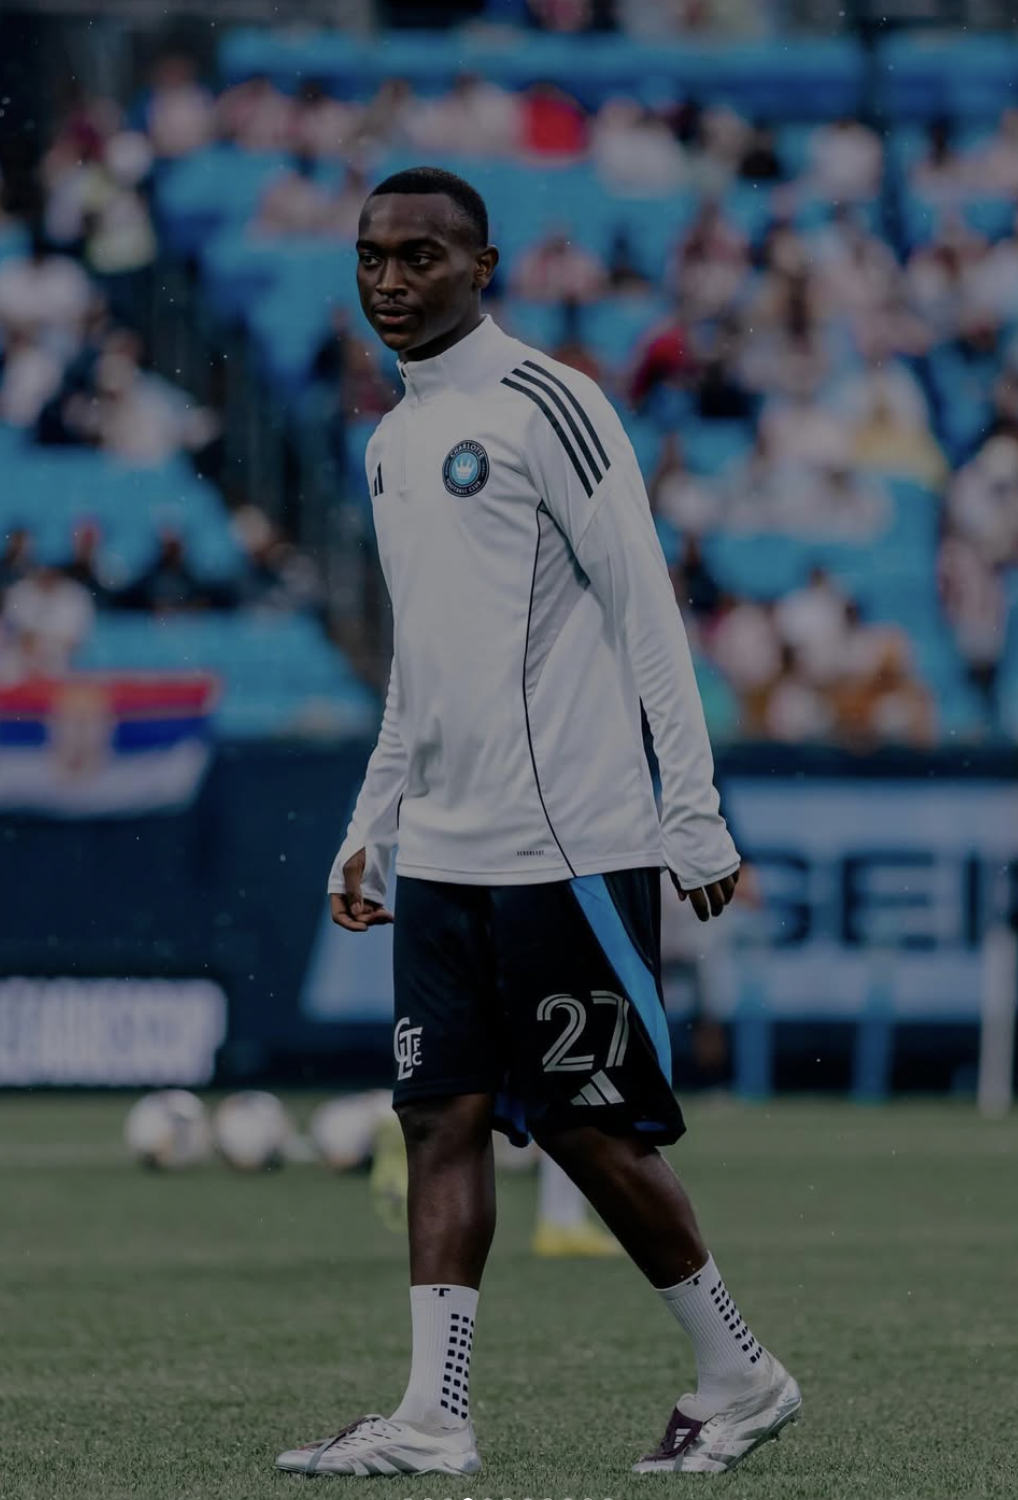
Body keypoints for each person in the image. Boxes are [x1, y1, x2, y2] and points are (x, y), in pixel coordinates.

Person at [276, 167, 801, 1482]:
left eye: (418, 257)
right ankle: (432, 1416)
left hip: (567, 840)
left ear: (483, 265)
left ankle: (739, 1374)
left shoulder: (550, 406)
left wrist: (693, 815)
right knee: (436, 1117)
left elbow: (644, 608)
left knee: (585, 1128)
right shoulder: (391, 440)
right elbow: (421, 655)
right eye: (371, 259)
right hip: (444, 850)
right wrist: (371, 816)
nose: (389, 282)